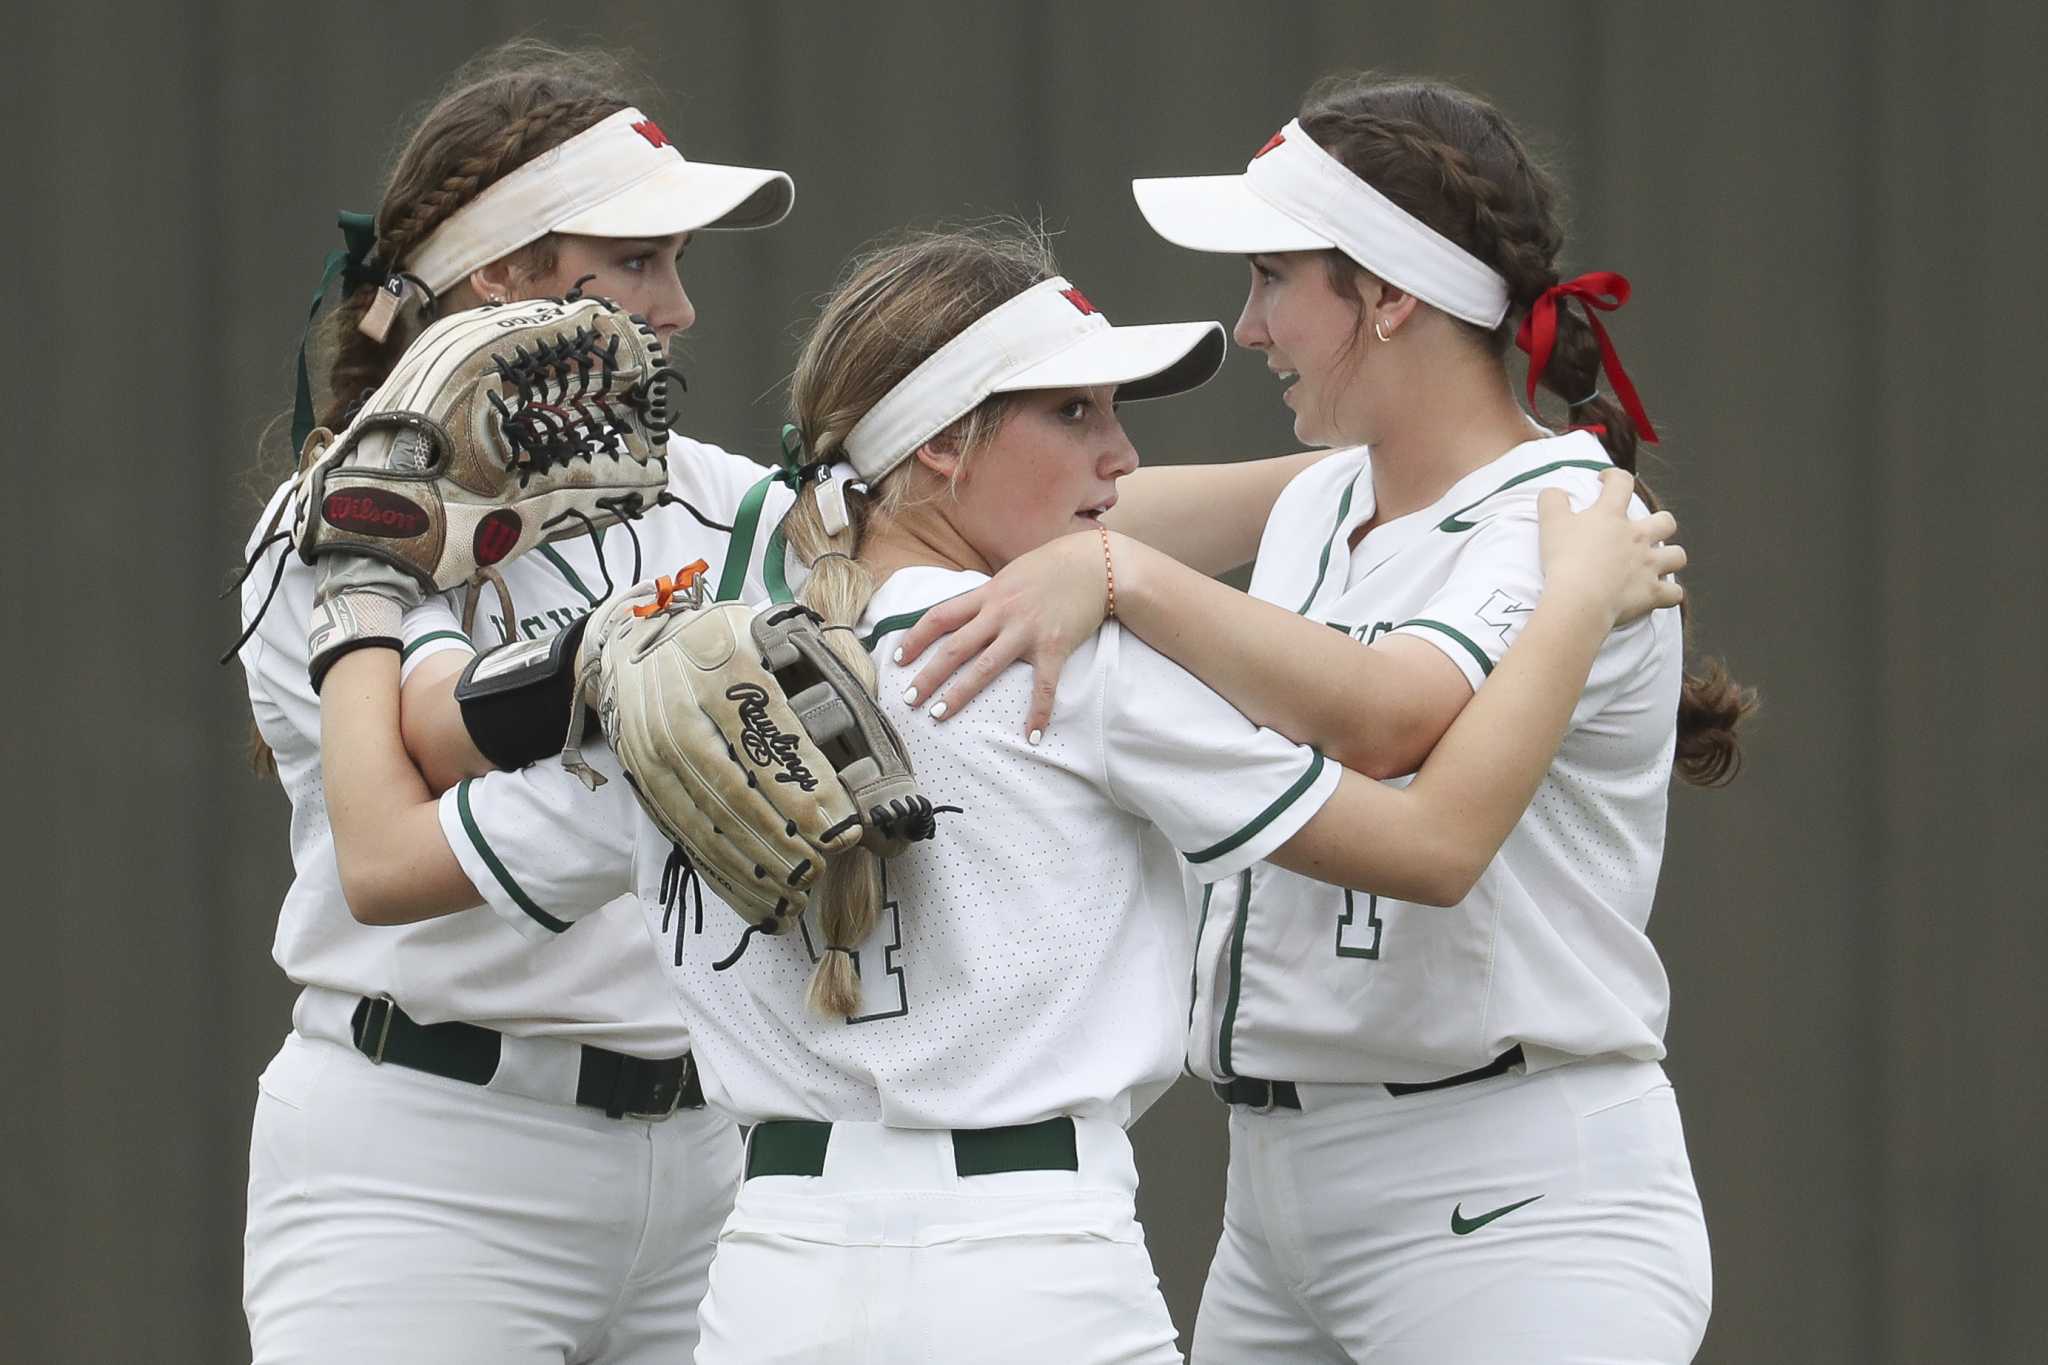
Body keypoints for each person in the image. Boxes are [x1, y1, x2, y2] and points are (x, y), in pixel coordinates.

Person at [315, 222, 1685, 1364]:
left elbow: (380, 864)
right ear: (941, 450)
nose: (1122, 460)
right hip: (1035, 1269)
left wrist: (361, 602)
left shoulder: (669, 681)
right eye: (1074, 411)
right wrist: (1573, 598)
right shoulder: (1078, 667)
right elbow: (1432, 842)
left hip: (774, 1279)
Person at [889, 77, 1752, 1364]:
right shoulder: (1326, 500)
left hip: (1511, 1198)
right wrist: (862, 491)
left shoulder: (1565, 517)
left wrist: (1119, 579)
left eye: (1272, 278)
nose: (1248, 327)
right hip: (1281, 1201)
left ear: (1391, 294)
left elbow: (1385, 722)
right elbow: (1012, 521)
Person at [232, 40, 802, 1364]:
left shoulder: (700, 492)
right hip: (428, 1165)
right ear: (501, 280)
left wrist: (1099, 562)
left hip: (711, 1157)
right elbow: (429, 744)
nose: (681, 308)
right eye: (639, 261)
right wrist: (624, 655)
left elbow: (946, 534)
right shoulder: (339, 521)